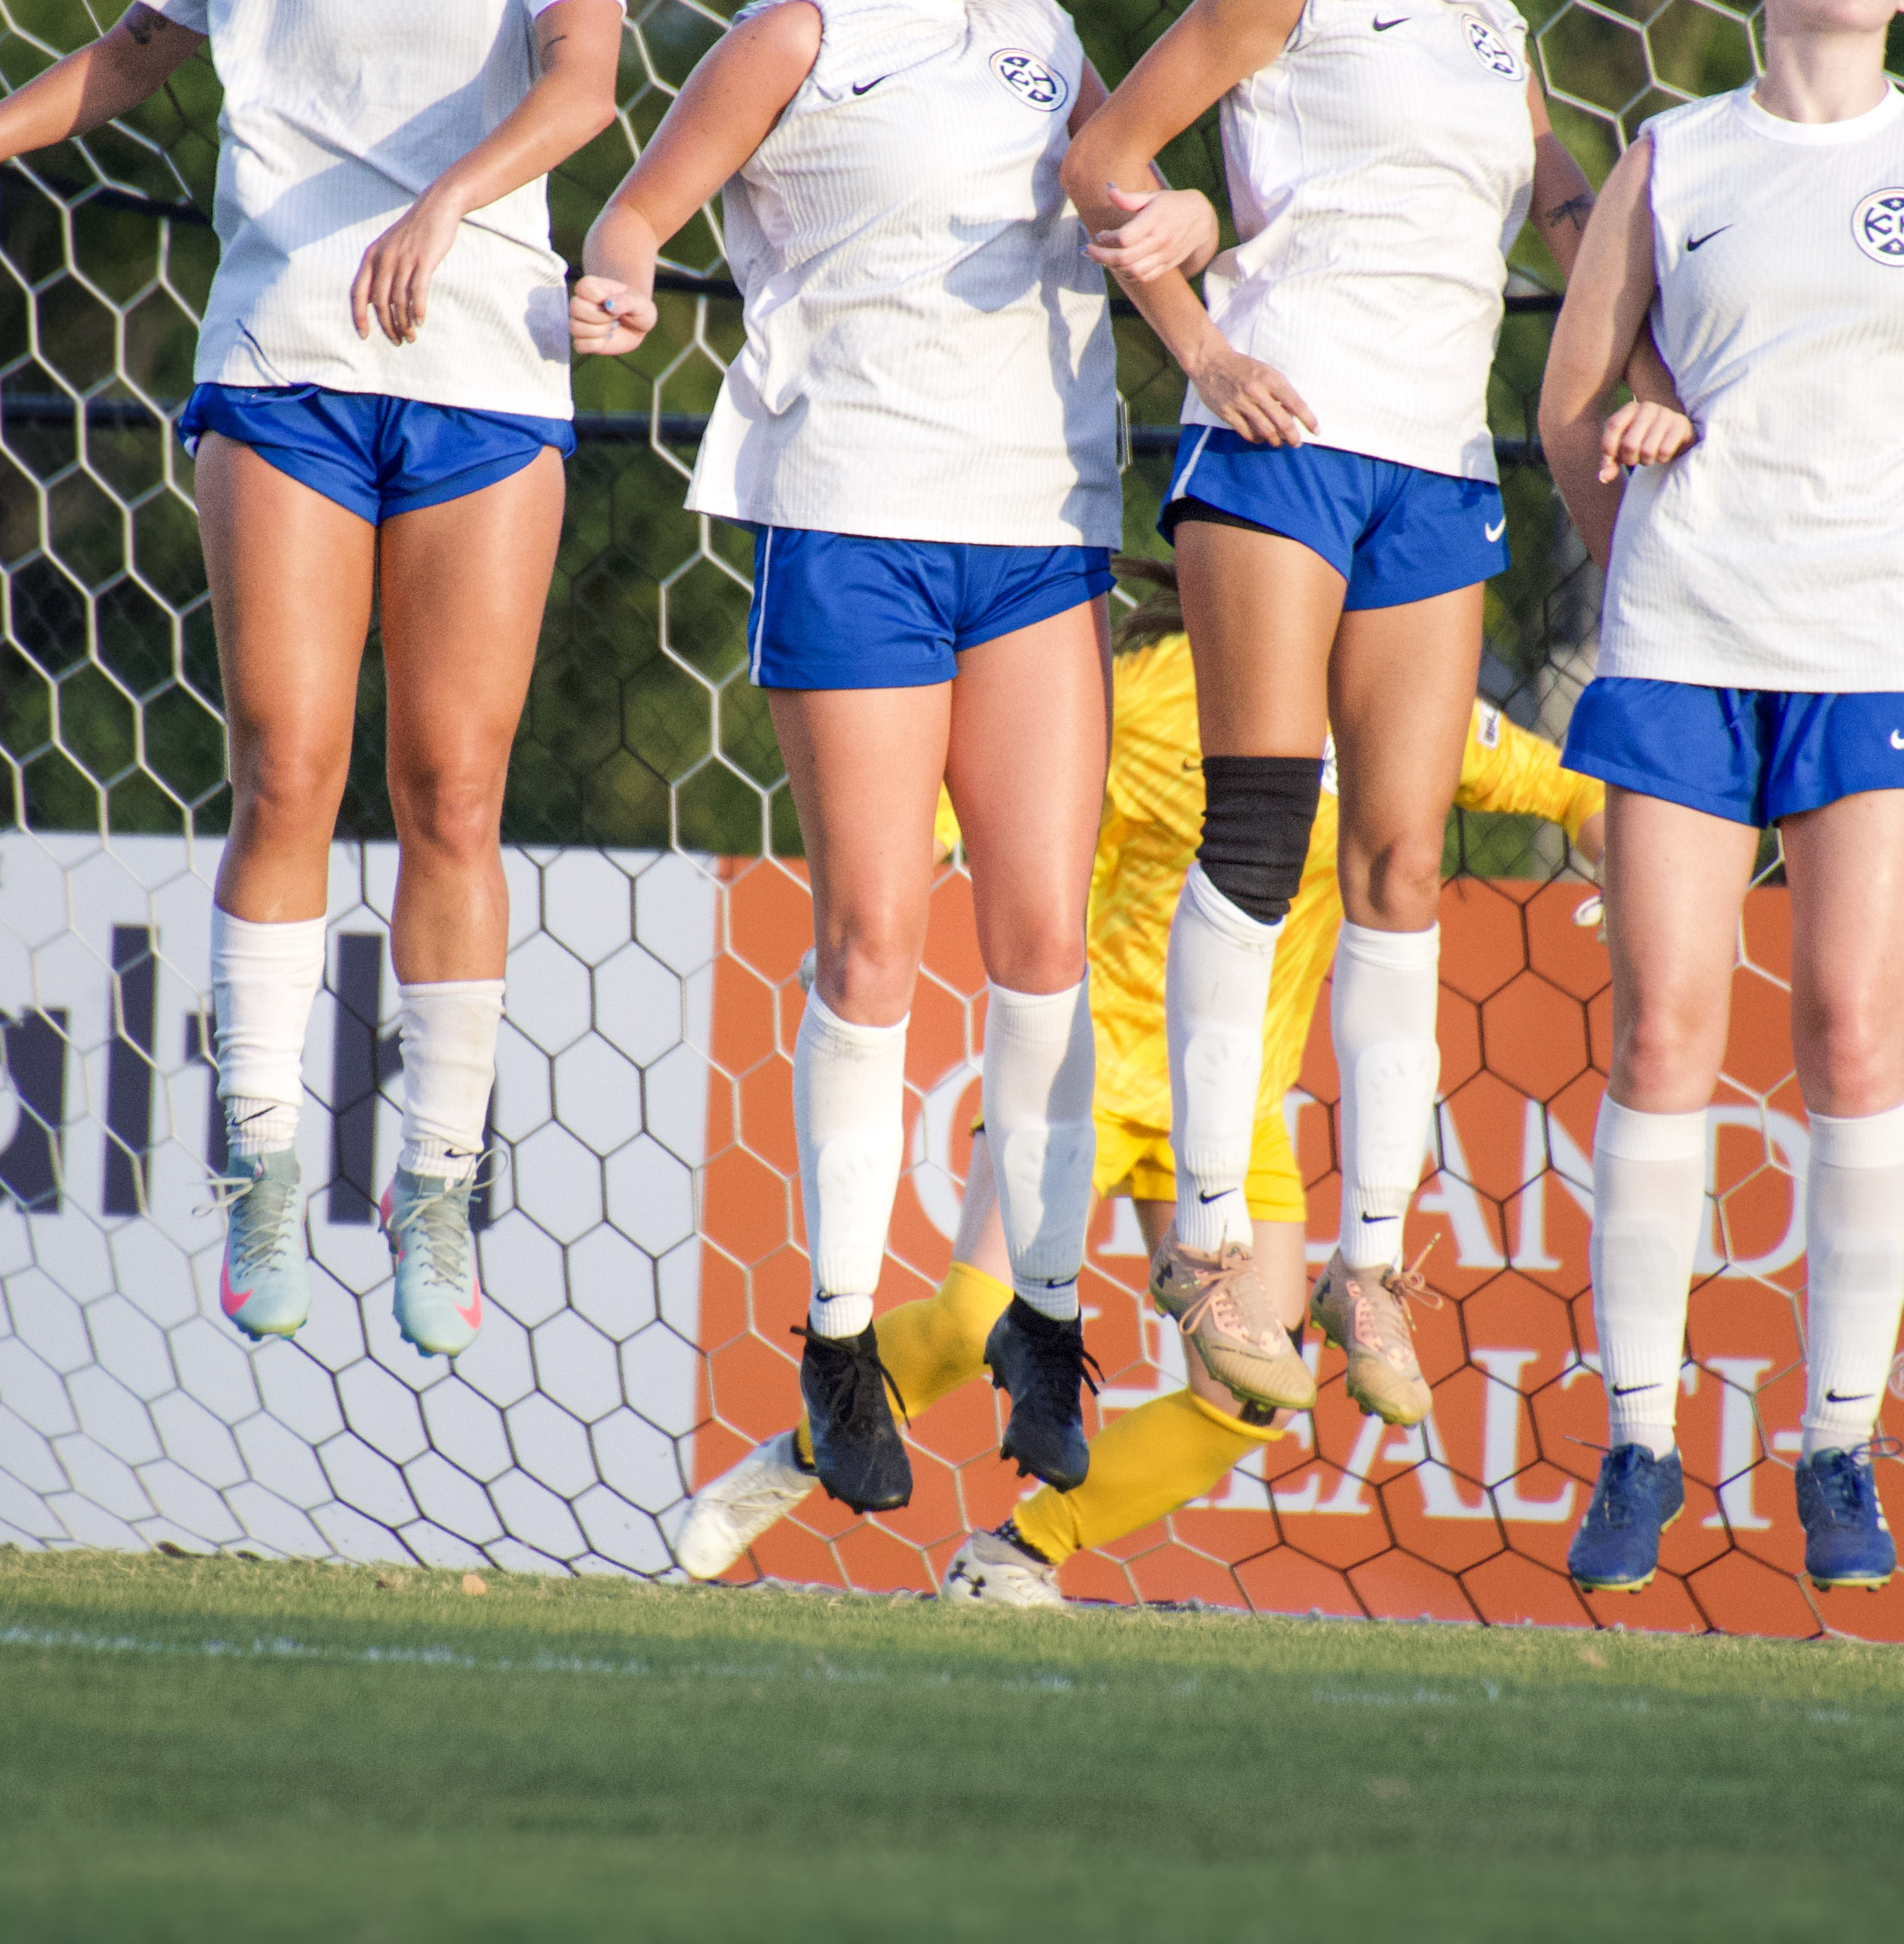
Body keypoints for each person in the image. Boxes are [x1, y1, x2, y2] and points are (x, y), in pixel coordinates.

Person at [0, 0, 626, 1361]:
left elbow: (586, 81)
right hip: (282, 367)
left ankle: (438, 1181)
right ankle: (264, 1163)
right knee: (288, 767)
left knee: (455, 787)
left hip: (483, 377)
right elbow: (134, 54)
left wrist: (447, 202)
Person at [573, 0, 1199, 1511]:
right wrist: (618, 278)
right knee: (871, 936)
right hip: (853, 518)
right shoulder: (798, 37)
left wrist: (1185, 224)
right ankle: (842, 1339)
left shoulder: (1041, 33)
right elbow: (637, 209)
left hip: (1035, 531)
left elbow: (1126, 197)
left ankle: (1046, 1319)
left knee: (1043, 936)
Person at [672, 560, 1614, 1601]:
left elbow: (1573, 788)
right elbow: (987, 790)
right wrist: (883, 902)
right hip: (1093, 1074)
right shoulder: (1158, 689)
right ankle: (792, 1460)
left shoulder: (1404, 712)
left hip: (1237, 1110)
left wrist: (1620, 863)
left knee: (1251, 1397)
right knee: (969, 1322)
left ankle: (1015, 1554)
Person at [1059, 0, 1597, 1432]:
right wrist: (1202, 345)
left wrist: (1693, 297)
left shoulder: (1498, 33)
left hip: (1436, 472)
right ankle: (1212, 1241)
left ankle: (1371, 1260)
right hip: (1281, 444)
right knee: (1263, 817)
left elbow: (1581, 225)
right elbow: (1107, 155)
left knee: (1403, 855)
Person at [1536, 0, 1904, 1595]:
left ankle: (1839, 1449)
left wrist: (1886, 580)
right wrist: (1650, 556)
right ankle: (1639, 1443)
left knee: (1851, 1027)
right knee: (1666, 1029)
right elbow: (1572, 402)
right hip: (1681, 642)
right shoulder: (1674, 159)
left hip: (1872, 654)